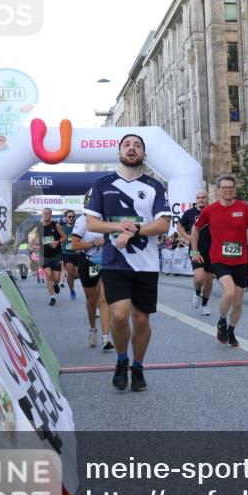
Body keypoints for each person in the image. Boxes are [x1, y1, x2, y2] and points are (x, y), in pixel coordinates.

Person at [85, 133, 171, 392]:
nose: (132, 149)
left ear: (144, 154)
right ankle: (122, 360)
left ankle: (138, 366)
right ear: (119, 152)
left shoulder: (155, 186)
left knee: (141, 320)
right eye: (127, 145)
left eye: (137, 146)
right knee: (120, 316)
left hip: (146, 264)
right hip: (115, 262)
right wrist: (117, 226)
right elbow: (92, 223)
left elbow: (163, 224)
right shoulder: (102, 184)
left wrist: (134, 230)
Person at [190, 175, 248, 347]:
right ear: (218, 190)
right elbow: (195, 229)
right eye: (224, 187)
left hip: (240, 260)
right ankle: (221, 321)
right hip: (219, 259)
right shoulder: (210, 210)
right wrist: (194, 251)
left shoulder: (243, 207)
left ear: (234, 189)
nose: (228, 190)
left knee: (238, 303)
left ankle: (231, 330)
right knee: (229, 292)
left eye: (230, 187)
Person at [71, 191, 113, 350]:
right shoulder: (82, 221)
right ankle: (93, 329)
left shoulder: (108, 218)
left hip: (107, 263)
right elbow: (74, 245)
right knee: (92, 299)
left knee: (104, 298)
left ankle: (106, 338)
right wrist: (95, 243)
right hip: (88, 262)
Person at [178, 189, 214, 315]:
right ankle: (197, 292)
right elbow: (179, 226)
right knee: (199, 277)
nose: (200, 200)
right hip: (194, 250)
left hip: (212, 251)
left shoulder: (213, 211)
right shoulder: (189, 213)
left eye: (203, 197)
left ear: (207, 199)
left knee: (209, 280)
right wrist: (187, 237)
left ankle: (204, 305)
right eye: (198, 198)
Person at [39, 208, 66, 306]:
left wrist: (57, 241)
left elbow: (64, 237)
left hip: (56, 255)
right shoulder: (39, 227)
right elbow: (37, 240)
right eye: (44, 213)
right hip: (45, 256)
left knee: (57, 279)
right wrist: (36, 244)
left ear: (51, 215)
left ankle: (55, 284)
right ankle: (52, 297)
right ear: (42, 214)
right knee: (49, 276)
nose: (46, 215)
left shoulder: (56, 225)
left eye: (48, 213)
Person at [59, 209, 79, 300]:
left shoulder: (78, 227)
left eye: (73, 217)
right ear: (66, 218)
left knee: (76, 274)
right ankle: (72, 291)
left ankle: (71, 278)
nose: (71, 218)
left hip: (77, 253)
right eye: (69, 217)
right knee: (70, 272)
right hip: (66, 253)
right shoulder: (62, 228)